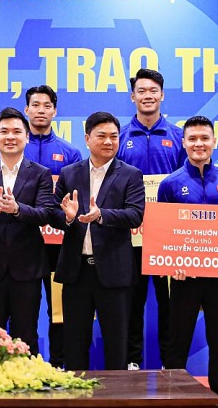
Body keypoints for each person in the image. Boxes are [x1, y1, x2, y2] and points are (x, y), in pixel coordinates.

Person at [158, 115, 218, 408]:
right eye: (192, 139)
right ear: (183, 143)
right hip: (185, 278)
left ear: (214, 142)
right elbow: (163, 233)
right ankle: (174, 402)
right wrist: (172, 264)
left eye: (204, 138)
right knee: (177, 340)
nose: (199, 144)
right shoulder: (170, 184)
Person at [50, 111, 145, 371]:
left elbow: (135, 215)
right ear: (87, 139)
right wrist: (68, 217)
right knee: (74, 343)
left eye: (114, 136)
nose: (108, 141)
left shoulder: (131, 174)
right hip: (76, 271)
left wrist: (102, 215)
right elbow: (53, 214)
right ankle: (76, 394)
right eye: (101, 136)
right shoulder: (69, 173)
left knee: (116, 344)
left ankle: (117, 395)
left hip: (114, 272)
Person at [0, 107, 54, 355]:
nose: (10, 137)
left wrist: (17, 209)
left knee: (26, 335)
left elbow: (46, 213)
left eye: (17, 131)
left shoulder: (41, 174)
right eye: (4, 131)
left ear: (27, 137)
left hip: (28, 267)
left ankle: (27, 378)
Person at [117, 68, 185, 371]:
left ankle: (171, 363)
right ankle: (132, 360)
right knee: (132, 301)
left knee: (171, 303)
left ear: (162, 95)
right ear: (133, 97)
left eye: (153, 90)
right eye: (141, 91)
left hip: (168, 236)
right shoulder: (119, 136)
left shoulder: (178, 136)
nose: (148, 96)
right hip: (130, 235)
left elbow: (187, 182)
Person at [23, 85, 82, 367]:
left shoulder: (70, 153)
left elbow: (76, 198)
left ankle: (60, 364)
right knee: (25, 308)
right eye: (35, 105)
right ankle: (26, 365)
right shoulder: (15, 148)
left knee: (60, 310)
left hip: (59, 242)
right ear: (26, 110)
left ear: (55, 111)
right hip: (25, 241)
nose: (41, 110)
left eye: (47, 106)